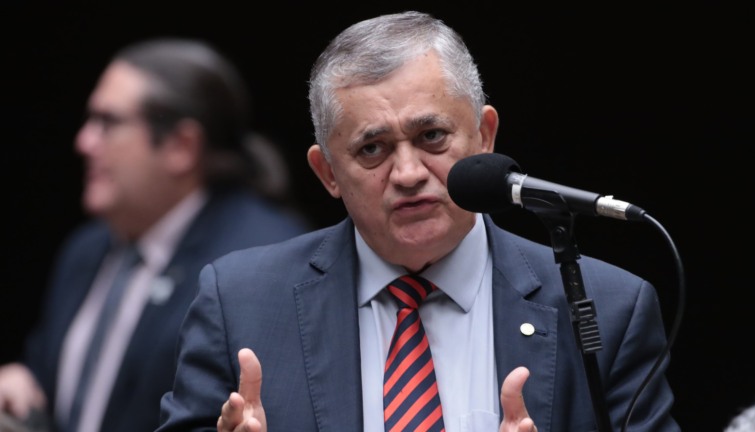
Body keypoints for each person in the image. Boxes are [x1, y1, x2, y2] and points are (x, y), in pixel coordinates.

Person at [156, 11, 680, 432]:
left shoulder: (609, 309)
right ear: (328, 173)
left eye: (432, 137)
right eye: (372, 148)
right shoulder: (240, 301)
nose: (407, 174)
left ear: (485, 136)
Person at [0, 38, 310, 432]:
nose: (84, 142)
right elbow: (52, 377)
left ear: (181, 146)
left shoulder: (259, 262)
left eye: (107, 123)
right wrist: (22, 381)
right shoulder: (87, 248)